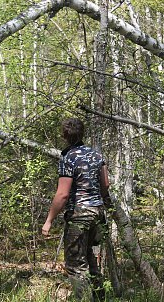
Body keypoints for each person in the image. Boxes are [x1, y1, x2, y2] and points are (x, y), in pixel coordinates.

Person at [42, 117, 110, 302]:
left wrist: (48, 221)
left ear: (64, 135)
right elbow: (106, 184)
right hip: (97, 216)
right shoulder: (97, 155)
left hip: (79, 217)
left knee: (76, 266)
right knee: (92, 261)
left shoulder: (68, 157)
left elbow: (62, 194)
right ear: (83, 132)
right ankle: (99, 298)